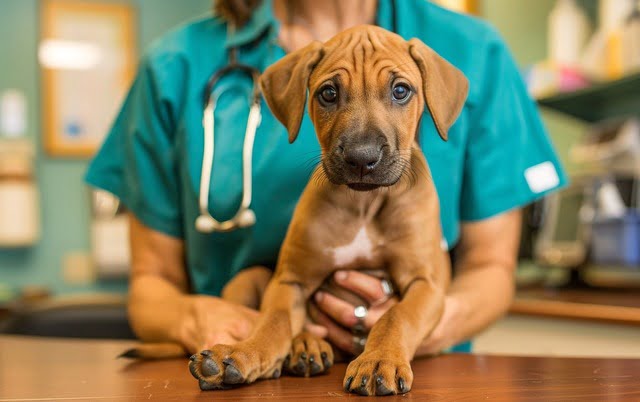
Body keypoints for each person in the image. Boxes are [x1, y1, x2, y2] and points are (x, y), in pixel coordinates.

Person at [86, 0, 566, 357]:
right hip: (256, 361)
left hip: (424, 378)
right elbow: (151, 285)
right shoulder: (175, 63)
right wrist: (203, 322)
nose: (361, 145)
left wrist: (424, 324)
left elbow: (492, 269)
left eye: (400, 91)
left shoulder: (472, 50)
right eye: (329, 95)